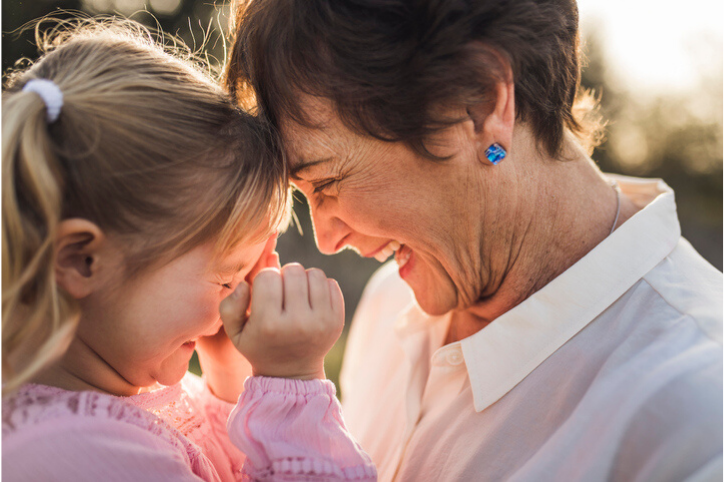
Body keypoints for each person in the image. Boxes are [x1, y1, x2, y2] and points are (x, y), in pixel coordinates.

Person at [224, 0, 723, 480]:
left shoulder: (695, 418)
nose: (327, 239)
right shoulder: (390, 301)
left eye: (328, 183)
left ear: (481, 104)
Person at [1, 19, 377, 482]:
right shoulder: (77, 458)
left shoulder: (121, 406)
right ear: (82, 260)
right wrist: (293, 388)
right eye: (225, 279)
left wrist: (229, 375)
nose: (239, 298)